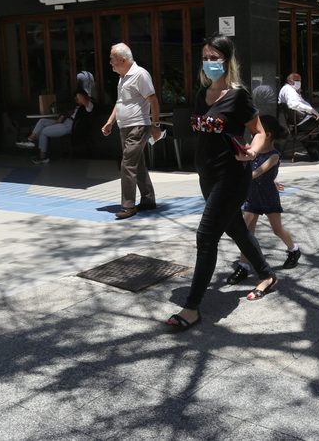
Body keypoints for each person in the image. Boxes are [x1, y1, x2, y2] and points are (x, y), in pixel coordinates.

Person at [165, 34, 277, 331]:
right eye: (205, 57)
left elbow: (260, 131)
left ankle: (191, 308)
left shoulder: (238, 95)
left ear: (227, 62)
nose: (209, 63)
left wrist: (252, 151)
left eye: (215, 58)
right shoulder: (202, 95)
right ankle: (266, 274)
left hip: (231, 175)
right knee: (235, 228)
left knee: (206, 236)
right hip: (207, 176)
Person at [226, 114, 301, 288]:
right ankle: (243, 266)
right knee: (246, 233)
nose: (253, 136)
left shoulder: (274, 155)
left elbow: (258, 172)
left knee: (277, 229)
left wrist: (241, 179)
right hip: (252, 197)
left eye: (256, 132)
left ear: (267, 134)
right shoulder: (253, 150)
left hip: (268, 197)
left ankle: (294, 249)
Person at [101, 42, 162, 220]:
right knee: (138, 164)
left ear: (122, 59)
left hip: (138, 126)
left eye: (112, 59)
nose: (110, 62)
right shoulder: (123, 76)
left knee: (127, 164)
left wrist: (155, 126)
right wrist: (110, 121)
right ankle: (148, 199)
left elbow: (153, 100)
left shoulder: (140, 74)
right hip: (124, 127)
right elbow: (120, 102)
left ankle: (128, 205)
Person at [19, 88, 95, 165]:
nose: (76, 100)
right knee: (42, 121)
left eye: (77, 98)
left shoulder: (89, 105)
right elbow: (68, 113)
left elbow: (84, 101)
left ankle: (42, 157)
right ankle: (30, 140)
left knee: (43, 131)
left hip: (70, 126)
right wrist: (61, 118)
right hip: (65, 122)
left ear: (83, 97)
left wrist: (80, 94)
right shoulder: (77, 107)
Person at [278, 72, 319, 161]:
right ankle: (315, 145)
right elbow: (293, 104)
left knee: (310, 135)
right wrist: (312, 111)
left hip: (301, 121)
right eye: (297, 80)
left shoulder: (288, 90)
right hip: (304, 122)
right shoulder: (289, 90)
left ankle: (312, 146)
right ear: (290, 81)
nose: (299, 82)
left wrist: (299, 94)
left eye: (300, 80)